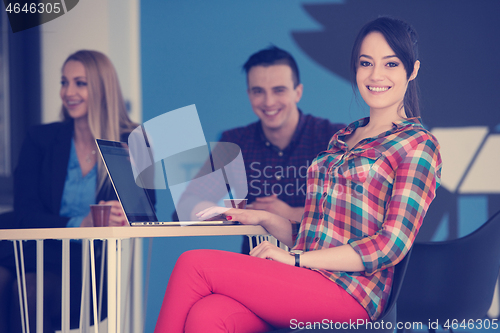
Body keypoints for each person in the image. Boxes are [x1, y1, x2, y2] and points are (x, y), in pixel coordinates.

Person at [154, 16, 442, 332]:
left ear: (411, 70)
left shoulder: (417, 145)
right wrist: (264, 220)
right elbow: (319, 235)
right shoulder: (343, 138)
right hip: (306, 279)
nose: (376, 75)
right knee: (208, 314)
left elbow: (390, 246)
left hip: (351, 294)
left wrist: (295, 260)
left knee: (193, 265)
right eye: (366, 63)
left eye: (391, 64)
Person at [0, 50, 141, 333]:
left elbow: (142, 214)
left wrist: (126, 181)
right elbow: (26, 214)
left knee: (29, 290)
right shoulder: (40, 139)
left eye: (80, 83)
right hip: (31, 249)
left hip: (85, 264)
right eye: (64, 82)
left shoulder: (132, 141)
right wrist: (80, 223)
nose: (68, 92)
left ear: (102, 88)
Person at [175, 46, 344, 252]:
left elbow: (353, 217)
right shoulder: (235, 142)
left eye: (278, 90)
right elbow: (184, 209)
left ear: (297, 92)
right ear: (248, 95)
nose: (269, 102)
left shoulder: (334, 138)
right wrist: (238, 213)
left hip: (317, 270)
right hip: (255, 270)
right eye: (258, 92)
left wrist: (289, 213)